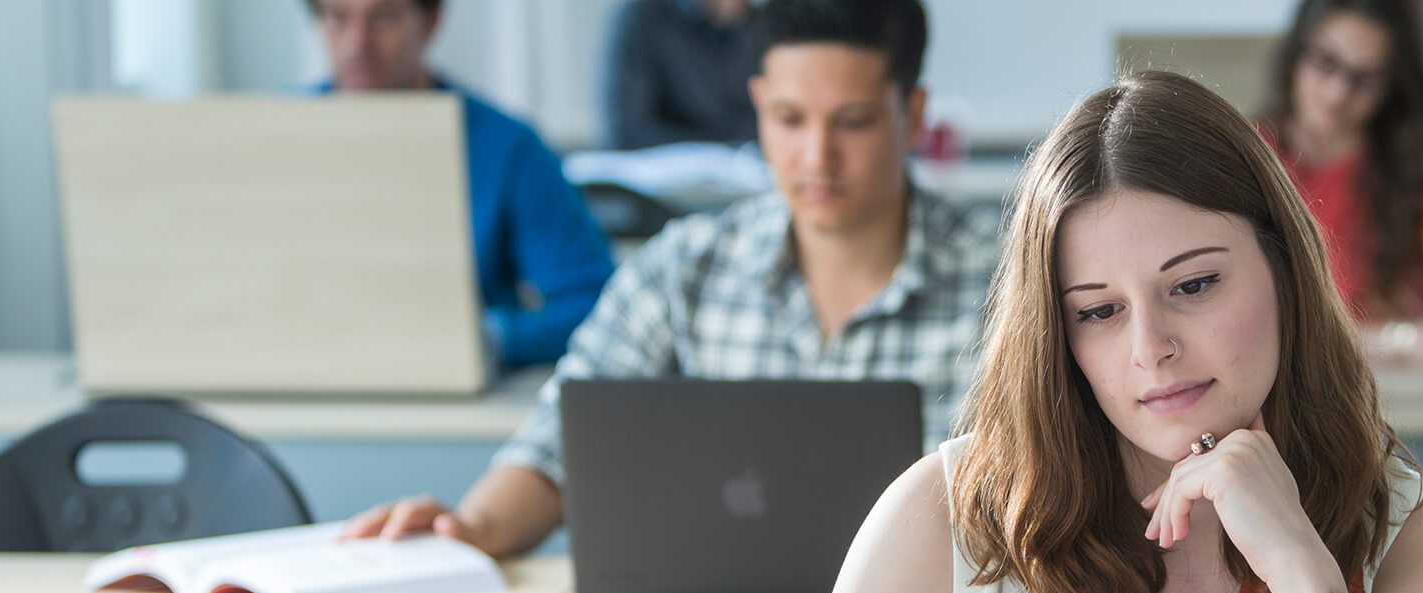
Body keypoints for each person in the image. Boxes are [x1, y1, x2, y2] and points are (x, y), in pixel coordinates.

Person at [792, 71, 1423, 593]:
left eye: (1194, 285)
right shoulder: (948, 513)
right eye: (1099, 310)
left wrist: (1302, 572)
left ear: (1286, 271)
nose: (1150, 347)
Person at [342, 0, 999, 559]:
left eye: (852, 121)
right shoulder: (684, 267)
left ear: (911, 116)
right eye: (790, 119)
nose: (816, 156)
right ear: (759, 105)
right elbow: (558, 445)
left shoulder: (1007, 286)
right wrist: (472, 528)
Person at [309, 0, 616, 367]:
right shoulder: (272, 134)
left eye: (384, 19)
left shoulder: (507, 147)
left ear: (431, 21)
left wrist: (494, 338)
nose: (357, 43)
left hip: (446, 402)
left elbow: (597, 301)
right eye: (336, 18)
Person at [1260, 0, 1423, 364]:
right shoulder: (1244, 152)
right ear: (1295, 52)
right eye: (1325, 63)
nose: (1338, 93)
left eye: (1365, 79)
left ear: (1395, 85)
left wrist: (1357, 342)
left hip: (1376, 396)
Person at [603, 0, 760, 149]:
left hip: (748, 169)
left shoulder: (762, 24)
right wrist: (721, 146)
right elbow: (627, 131)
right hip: (665, 169)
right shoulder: (644, 18)